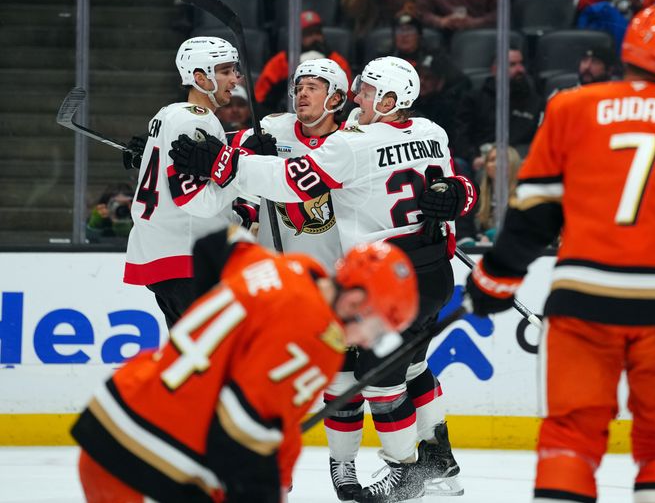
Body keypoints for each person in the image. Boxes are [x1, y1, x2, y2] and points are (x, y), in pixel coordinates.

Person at [465, 6, 655, 503]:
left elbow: (533, 210)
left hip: (583, 302)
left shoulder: (570, 108)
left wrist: (497, 277)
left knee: (569, 441)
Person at [169, 56, 477, 503]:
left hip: (384, 279)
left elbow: (290, 180)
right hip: (433, 269)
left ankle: (407, 474)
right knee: (412, 367)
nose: (358, 97)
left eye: (369, 93)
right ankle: (442, 463)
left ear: (392, 100)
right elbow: (457, 187)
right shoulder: (431, 131)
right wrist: (460, 194)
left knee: (380, 379)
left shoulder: (351, 144)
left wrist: (222, 163)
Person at [71, 226, 419, 503]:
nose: (365, 342)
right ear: (355, 299)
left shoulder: (284, 267)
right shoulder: (316, 341)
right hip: (160, 456)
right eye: (373, 329)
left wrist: (220, 340)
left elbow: (216, 243)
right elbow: (246, 428)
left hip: (117, 413)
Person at [123, 36, 271, 328]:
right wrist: (241, 168)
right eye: (226, 71)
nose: (235, 78)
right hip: (187, 259)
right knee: (219, 361)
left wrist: (239, 212)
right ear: (200, 77)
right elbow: (197, 202)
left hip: (163, 255)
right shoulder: (198, 121)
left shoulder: (167, 114)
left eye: (234, 70)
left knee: (194, 362)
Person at [237, 57, 350, 272]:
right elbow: (226, 159)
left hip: (330, 274)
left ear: (335, 98)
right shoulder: (273, 128)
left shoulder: (354, 140)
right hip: (273, 270)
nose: (302, 94)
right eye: (298, 88)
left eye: (312, 87)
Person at [452, 48, 541, 174]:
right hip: (480, 159)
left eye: (521, 64)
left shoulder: (535, 102)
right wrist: (473, 158)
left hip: (517, 160)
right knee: (458, 165)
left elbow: (537, 140)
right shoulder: (474, 98)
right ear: (495, 70)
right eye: (512, 65)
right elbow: (461, 134)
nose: (520, 69)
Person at [254, 11, 353, 111]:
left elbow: (347, 99)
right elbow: (261, 100)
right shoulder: (280, 62)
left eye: (317, 32)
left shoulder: (337, 62)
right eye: (308, 33)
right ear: (297, 37)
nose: (315, 38)